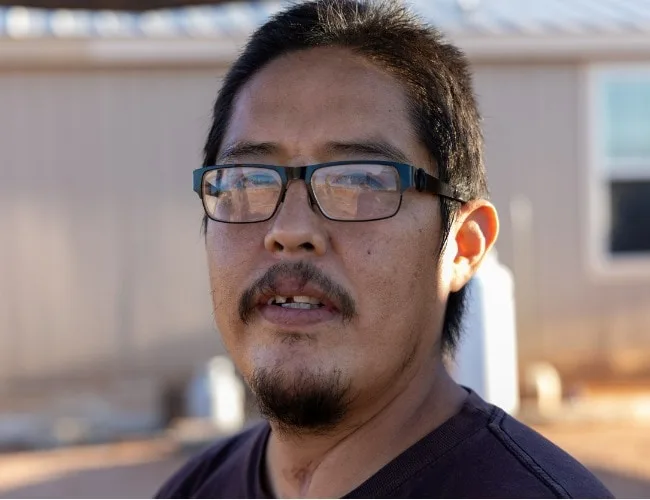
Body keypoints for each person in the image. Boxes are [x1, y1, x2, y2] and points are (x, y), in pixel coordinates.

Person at [156, 0, 613, 497]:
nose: (288, 230)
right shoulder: (193, 490)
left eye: (358, 180)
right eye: (247, 181)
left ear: (463, 245)